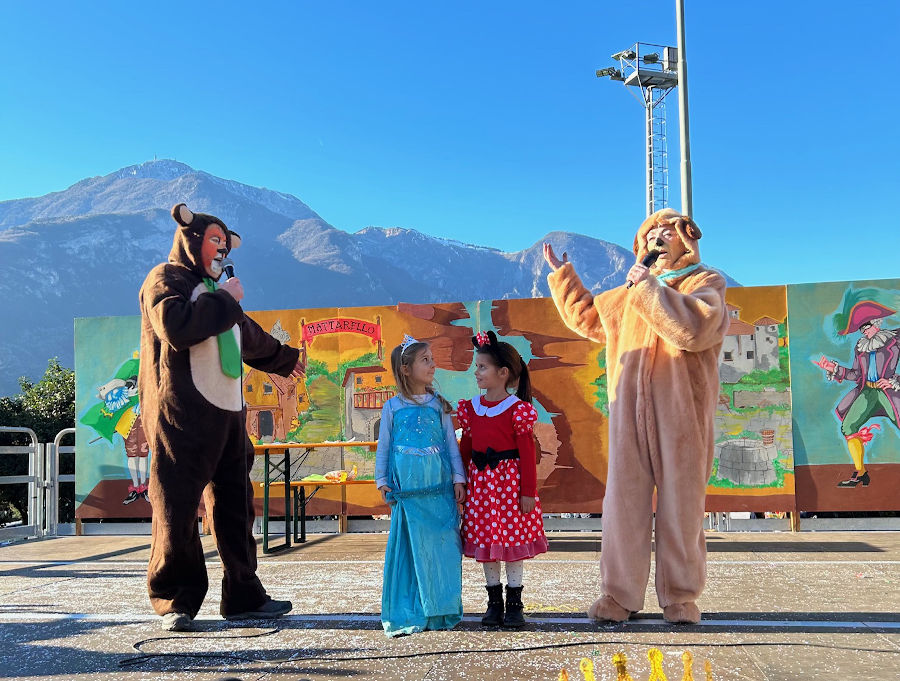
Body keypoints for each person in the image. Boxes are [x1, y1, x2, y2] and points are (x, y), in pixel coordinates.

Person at [544, 208, 728, 624]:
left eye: (666, 231)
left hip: (682, 418)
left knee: (681, 506)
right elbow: (589, 316)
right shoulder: (630, 291)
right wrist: (563, 278)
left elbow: (694, 329)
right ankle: (619, 595)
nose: (656, 238)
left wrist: (647, 290)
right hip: (628, 415)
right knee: (623, 504)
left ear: (686, 239)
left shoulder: (705, 282)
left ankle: (680, 596)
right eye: (649, 233)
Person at [138, 203, 304, 631]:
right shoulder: (165, 279)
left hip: (229, 417)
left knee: (235, 509)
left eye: (225, 244)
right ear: (192, 239)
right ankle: (176, 598)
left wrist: (284, 359)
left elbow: (244, 335)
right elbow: (176, 327)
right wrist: (226, 301)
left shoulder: (217, 291)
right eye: (214, 240)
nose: (221, 250)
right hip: (182, 417)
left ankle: (244, 593)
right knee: (176, 508)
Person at [375, 335, 467, 637]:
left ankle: (441, 608)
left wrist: (458, 478)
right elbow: (384, 448)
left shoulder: (438, 406)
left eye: (432, 358)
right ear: (405, 369)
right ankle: (411, 608)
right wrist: (382, 481)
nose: (432, 364)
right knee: (412, 549)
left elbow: (451, 445)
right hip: (409, 495)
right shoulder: (392, 407)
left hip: (438, 492)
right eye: (425, 360)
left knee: (441, 549)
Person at [457, 330, 548, 628]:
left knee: (510, 543)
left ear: (503, 372)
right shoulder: (471, 409)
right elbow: (465, 449)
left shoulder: (518, 411)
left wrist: (528, 493)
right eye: (477, 367)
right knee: (488, 542)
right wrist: (460, 481)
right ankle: (493, 602)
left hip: (509, 488)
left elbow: (527, 455)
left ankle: (515, 604)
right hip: (482, 489)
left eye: (482, 367)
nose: (476, 372)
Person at [814, 294, 900, 487]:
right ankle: (861, 472)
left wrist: (895, 380)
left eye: (865, 327)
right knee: (848, 427)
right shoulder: (860, 348)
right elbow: (856, 375)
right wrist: (834, 369)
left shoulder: (895, 340)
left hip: (888, 392)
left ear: (876, 323)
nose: (863, 332)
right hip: (868, 392)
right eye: (861, 329)